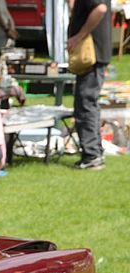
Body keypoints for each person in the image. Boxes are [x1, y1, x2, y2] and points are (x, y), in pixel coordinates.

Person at [68, 0, 112, 170]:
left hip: (93, 53)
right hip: (94, 54)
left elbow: (100, 9)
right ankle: (94, 152)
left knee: (85, 104)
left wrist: (79, 36)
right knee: (87, 104)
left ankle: (92, 154)